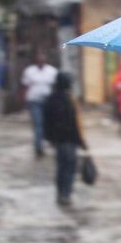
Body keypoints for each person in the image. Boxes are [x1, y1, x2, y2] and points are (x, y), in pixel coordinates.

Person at [43, 72, 87, 206]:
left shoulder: (51, 99)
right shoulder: (69, 100)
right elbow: (75, 122)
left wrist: (49, 138)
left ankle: (61, 193)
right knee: (69, 167)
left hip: (58, 140)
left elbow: (47, 121)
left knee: (61, 167)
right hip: (69, 139)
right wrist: (81, 140)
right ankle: (65, 194)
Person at [21, 51, 58, 157]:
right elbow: (25, 86)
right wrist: (24, 101)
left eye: (43, 60)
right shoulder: (29, 71)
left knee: (49, 123)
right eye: (39, 60)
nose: (41, 62)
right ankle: (38, 146)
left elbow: (55, 87)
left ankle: (52, 142)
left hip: (48, 101)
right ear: (36, 61)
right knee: (38, 123)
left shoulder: (52, 71)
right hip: (34, 101)